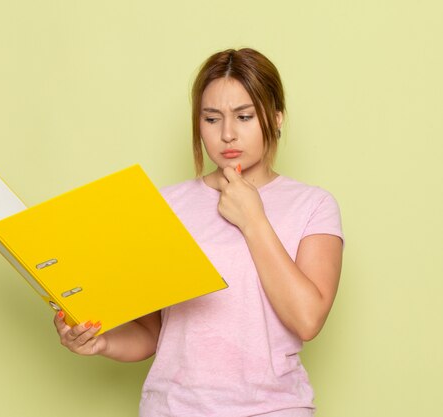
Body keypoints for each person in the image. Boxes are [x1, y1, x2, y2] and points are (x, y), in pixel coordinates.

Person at [53, 47, 343, 417]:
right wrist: (101, 342)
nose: (227, 134)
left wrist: (253, 220)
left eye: (244, 116)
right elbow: (154, 333)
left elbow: (307, 319)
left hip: (273, 409)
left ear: (275, 116)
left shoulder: (313, 205)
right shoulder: (165, 205)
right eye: (211, 118)